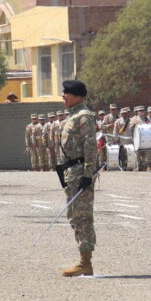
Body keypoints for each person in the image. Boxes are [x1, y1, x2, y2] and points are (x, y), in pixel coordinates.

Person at [56, 80, 98, 277]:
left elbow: (90, 146)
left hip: (80, 171)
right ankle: (84, 261)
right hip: (71, 171)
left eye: (67, 93)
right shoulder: (72, 116)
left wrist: (88, 174)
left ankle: (85, 263)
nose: (63, 96)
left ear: (78, 96)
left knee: (82, 217)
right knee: (74, 216)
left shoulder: (84, 117)